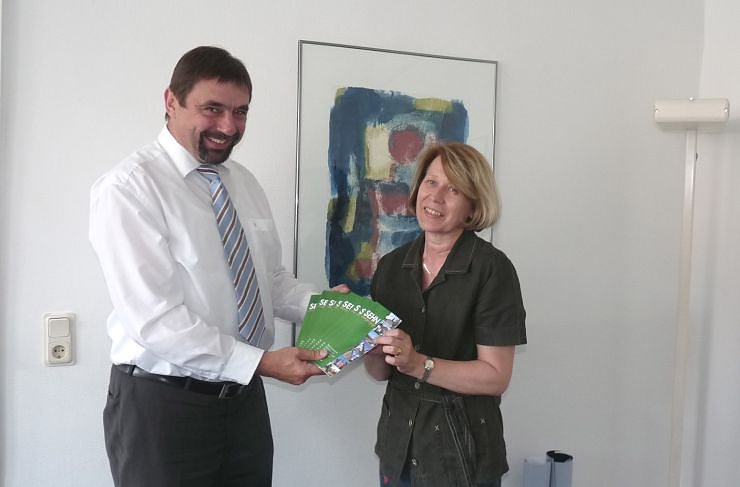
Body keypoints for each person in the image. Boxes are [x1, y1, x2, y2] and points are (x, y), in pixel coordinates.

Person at [89, 46, 342, 487]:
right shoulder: (129, 189)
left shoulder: (243, 183)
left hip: (243, 403)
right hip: (163, 407)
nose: (229, 127)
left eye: (240, 112)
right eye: (213, 109)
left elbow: (270, 283)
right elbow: (156, 320)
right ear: (171, 101)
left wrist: (331, 309)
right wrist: (261, 363)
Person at [364, 142, 527, 487]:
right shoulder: (390, 268)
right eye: (431, 182)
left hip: (462, 458)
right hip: (397, 451)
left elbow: (496, 377)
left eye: (453, 189)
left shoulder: (492, 270)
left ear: (472, 207)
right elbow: (380, 372)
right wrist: (370, 348)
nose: (436, 197)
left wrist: (418, 364)